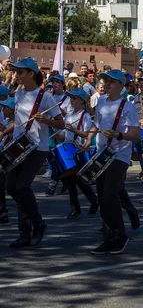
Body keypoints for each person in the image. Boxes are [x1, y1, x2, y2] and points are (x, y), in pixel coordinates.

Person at [2, 58, 64, 248]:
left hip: (37, 148)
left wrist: (46, 120)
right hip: (18, 146)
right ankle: (26, 231)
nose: (16, 75)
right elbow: (20, 121)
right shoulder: (19, 94)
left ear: (30, 74)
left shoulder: (45, 97)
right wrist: (4, 133)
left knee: (22, 187)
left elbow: (61, 124)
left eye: (20, 72)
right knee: (12, 187)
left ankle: (36, 225)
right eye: (15, 72)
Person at [84, 69, 140, 255]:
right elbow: (96, 124)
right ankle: (108, 239)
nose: (107, 84)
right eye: (106, 81)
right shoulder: (100, 101)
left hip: (119, 156)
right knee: (102, 196)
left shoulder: (128, 106)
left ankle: (119, 236)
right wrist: (88, 139)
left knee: (110, 195)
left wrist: (119, 134)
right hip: (101, 154)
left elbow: (136, 134)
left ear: (122, 86)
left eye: (112, 82)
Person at [61, 88, 99, 219]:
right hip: (68, 148)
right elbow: (65, 135)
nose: (72, 101)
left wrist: (73, 130)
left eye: (74, 98)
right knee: (68, 179)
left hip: (78, 150)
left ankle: (93, 200)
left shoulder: (85, 116)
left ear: (82, 101)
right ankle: (75, 207)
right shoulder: (68, 115)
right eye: (71, 98)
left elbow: (86, 134)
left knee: (78, 179)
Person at [0, 97, 15, 226]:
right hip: (4, 155)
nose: (3, 109)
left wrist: (3, 130)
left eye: (5, 107)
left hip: (11, 159)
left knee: (10, 187)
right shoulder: (5, 120)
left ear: (11, 110)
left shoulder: (16, 123)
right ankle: (2, 212)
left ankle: (3, 212)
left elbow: (12, 134)